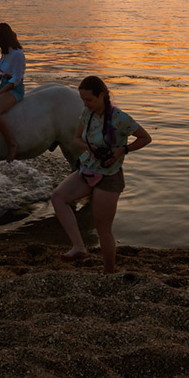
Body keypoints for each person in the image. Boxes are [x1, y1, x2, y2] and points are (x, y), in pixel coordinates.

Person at [51, 75, 151, 273]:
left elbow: (145, 138)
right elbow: (76, 139)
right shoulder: (87, 114)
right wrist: (90, 146)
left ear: (103, 95)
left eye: (89, 99)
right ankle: (79, 247)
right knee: (58, 197)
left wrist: (123, 149)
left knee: (102, 227)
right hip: (87, 170)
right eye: (83, 100)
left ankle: (109, 270)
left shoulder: (119, 118)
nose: (86, 104)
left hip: (110, 176)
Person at [0, 22, 25, 162]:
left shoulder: (17, 54)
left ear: (2, 36)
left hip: (14, 89)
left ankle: (12, 144)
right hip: (4, 84)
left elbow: (16, 78)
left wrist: (0, 92)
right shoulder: (5, 53)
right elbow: (5, 73)